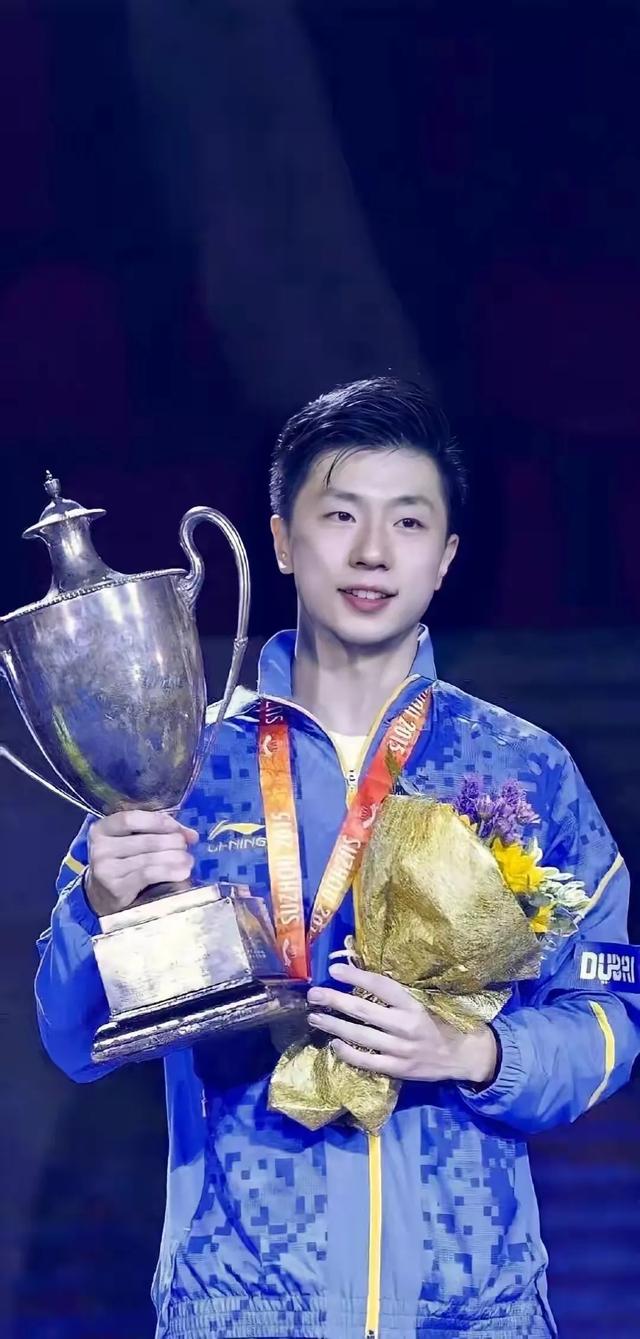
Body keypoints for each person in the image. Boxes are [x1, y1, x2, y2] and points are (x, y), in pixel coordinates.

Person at [36, 378, 638, 1339]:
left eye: (408, 521)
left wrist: (474, 1053)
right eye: (341, 514)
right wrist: (94, 910)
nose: (372, 552)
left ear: (445, 558)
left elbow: (610, 1017)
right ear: (281, 538)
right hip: (238, 1310)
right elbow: (70, 1040)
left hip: (472, 1314)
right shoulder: (185, 768)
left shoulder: (522, 772)